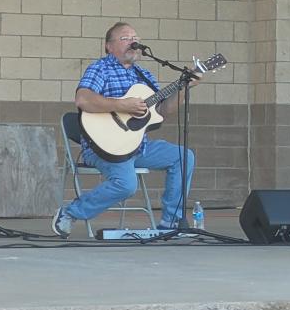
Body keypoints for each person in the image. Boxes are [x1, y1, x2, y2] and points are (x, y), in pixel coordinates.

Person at [51, 22, 198, 238]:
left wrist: (185, 88)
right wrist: (121, 105)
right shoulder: (100, 68)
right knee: (127, 185)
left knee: (184, 157)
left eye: (135, 38)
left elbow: (163, 111)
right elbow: (83, 99)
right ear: (109, 46)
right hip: (103, 148)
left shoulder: (144, 75)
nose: (133, 42)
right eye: (125, 38)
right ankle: (69, 213)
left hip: (138, 146)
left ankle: (170, 222)